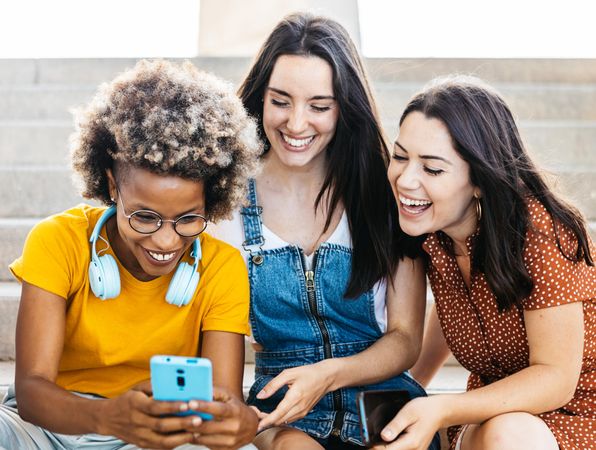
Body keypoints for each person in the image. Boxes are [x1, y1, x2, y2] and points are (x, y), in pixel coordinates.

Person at [0, 59, 263, 450]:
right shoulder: (57, 240)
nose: (166, 241)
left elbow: (223, 398)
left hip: (158, 434)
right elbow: (33, 392)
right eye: (145, 217)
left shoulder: (221, 267)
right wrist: (108, 418)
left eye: (188, 219)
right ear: (111, 185)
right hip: (52, 421)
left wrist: (235, 423)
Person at [209, 13, 439, 450]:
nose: (296, 124)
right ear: (260, 98)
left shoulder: (385, 192)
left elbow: (406, 338)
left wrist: (328, 374)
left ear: (343, 107)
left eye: (319, 106)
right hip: (284, 411)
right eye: (280, 101)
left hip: (382, 400)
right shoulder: (226, 204)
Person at [382, 75, 595, 450]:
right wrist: (410, 392)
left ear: (479, 179)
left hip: (576, 410)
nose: (406, 179)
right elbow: (458, 306)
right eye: (400, 157)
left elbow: (556, 378)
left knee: (507, 435)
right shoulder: (433, 231)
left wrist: (441, 409)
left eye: (432, 169)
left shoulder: (540, 233)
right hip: (494, 410)